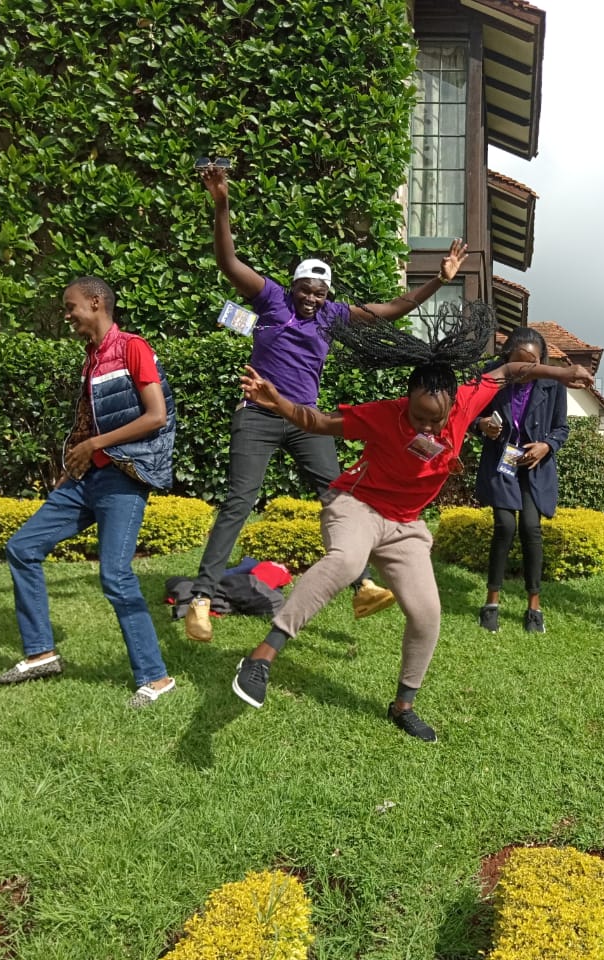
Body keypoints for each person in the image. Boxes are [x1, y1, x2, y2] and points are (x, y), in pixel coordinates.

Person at [230, 304, 594, 741]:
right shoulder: (385, 414)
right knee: (346, 562)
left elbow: (512, 369)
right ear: (407, 401)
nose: (427, 426)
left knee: (427, 614)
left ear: (452, 404)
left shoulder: (466, 401)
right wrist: (279, 403)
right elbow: (320, 421)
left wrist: (560, 374)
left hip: (406, 525)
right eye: (418, 416)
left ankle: (403, 705)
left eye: (435, 419)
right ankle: (262, 658)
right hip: (358, 506)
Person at [184, 162, 469, 641]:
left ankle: (363, 586)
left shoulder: (333, 316)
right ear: (292, 287)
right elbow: (229, 264)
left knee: (339, 493)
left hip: (305, 421)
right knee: (239, 500)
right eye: (305, 290)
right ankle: (201, 598)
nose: (311, 299)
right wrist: (222, 206)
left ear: (327, 294)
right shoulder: (271, 300)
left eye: (319, 293)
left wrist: (439, 280)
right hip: (258, 416)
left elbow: (391, 310)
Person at [0, 277, 178, 708]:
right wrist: (71, 467)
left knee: (115, 575)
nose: (67, 314)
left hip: (123, 478)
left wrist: (96, 444)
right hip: (85, 480)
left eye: (70, 306)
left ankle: (156, 678)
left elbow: (156, 416)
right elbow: (87, 421)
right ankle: (41, 654)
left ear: (96, 303)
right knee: (22, 547)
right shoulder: (92, 357)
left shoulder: (133, 347)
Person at [471, 326, 569, 634]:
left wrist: (546, 446)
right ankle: (491, 603)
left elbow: (562, 428)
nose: (525, 370)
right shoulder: (491, 376)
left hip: (534, 466)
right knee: (505, 525)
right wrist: (481, 424)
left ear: (542, 361)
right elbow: (469, 414)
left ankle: (534, 607)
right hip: (501, 462)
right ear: (506, 358)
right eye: (518, 362)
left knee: (530, 528)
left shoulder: (553, 383)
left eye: (533, 363)